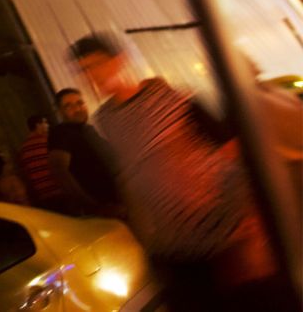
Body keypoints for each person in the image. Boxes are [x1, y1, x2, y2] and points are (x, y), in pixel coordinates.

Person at [72, 32, 293, 311]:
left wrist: (253, 225)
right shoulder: (105, 120)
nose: (92, 76)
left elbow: (232, 150)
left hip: (225, 234)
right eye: (83, 71)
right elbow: (130, 176)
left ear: (120, 61)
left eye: (96, 65)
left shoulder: (173, 98)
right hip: (174, 247)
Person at [47, 88, 123, 217]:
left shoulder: (88, 130)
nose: (77, 109)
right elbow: (59, 171)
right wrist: (95, 208)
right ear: (60, 112)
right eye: (68, 106)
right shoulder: (61, 133)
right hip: (103, 210)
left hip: (118, 202)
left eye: (80, 103)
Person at [17, 114, 66, 212]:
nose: (48, 125)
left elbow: (27, 173)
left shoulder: (23, 149)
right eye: (45, 122)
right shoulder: (47, 141)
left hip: (43, 195)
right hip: (58, 189)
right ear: (38, 125)